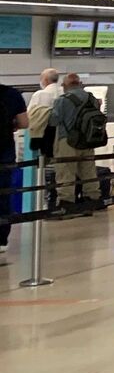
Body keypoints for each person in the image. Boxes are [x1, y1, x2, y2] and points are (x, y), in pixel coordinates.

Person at [50, 74, 104, 215]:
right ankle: (91, 202)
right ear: (80, 83)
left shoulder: (62, 100)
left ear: (65, 86)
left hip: (68, 141)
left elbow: (54, 121)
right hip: (88, 140)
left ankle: (66, 204)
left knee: (66, 172)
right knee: (89, 172)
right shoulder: (92, 98)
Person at [0, 76, 27, 250]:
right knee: (3, 196)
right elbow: (24, 122)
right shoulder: (11, 94)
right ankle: (1, 239)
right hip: (4, 153)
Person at [26, 68, 60, 191]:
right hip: (62, 139)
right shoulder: (64, 92)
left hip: (43, 140)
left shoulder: (40, 94)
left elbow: (30, 116)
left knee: (43, 170)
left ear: (45, 80)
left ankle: (43, 194)